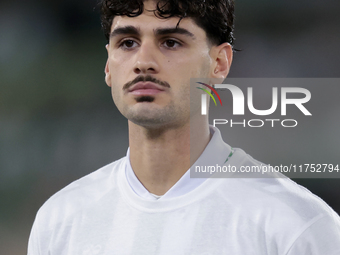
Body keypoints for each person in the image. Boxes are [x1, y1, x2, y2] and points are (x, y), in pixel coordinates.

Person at [28, 0, 340, 254]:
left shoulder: (297, 226)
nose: (143, 61)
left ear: (219, 63)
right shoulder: (60, 220)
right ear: (109, 66)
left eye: (171, 42)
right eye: (127, 42)